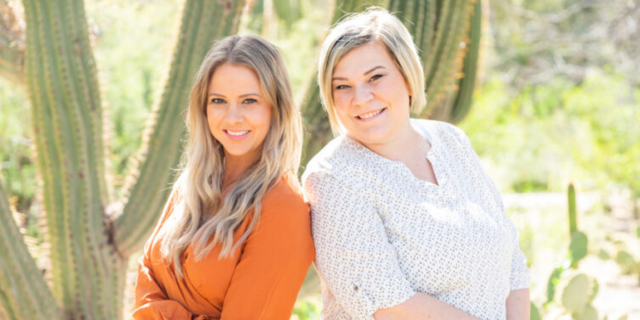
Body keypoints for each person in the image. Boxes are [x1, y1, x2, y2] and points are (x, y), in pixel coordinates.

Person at [302, 8, 530, 320]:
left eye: (375, 77)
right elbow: (386, 305)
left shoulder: (451, 141)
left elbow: (512, 258)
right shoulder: (333, 178)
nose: (361, 97)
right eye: (342, 86)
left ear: (408, 76)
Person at [133, 35, 314, 320]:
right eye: (218, 101)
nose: (232, 117)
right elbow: (146, 274)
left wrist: (160, 313)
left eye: (249, 101)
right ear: (203, 109)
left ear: (276, 108)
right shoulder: (193, 183)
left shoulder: (283, 207)